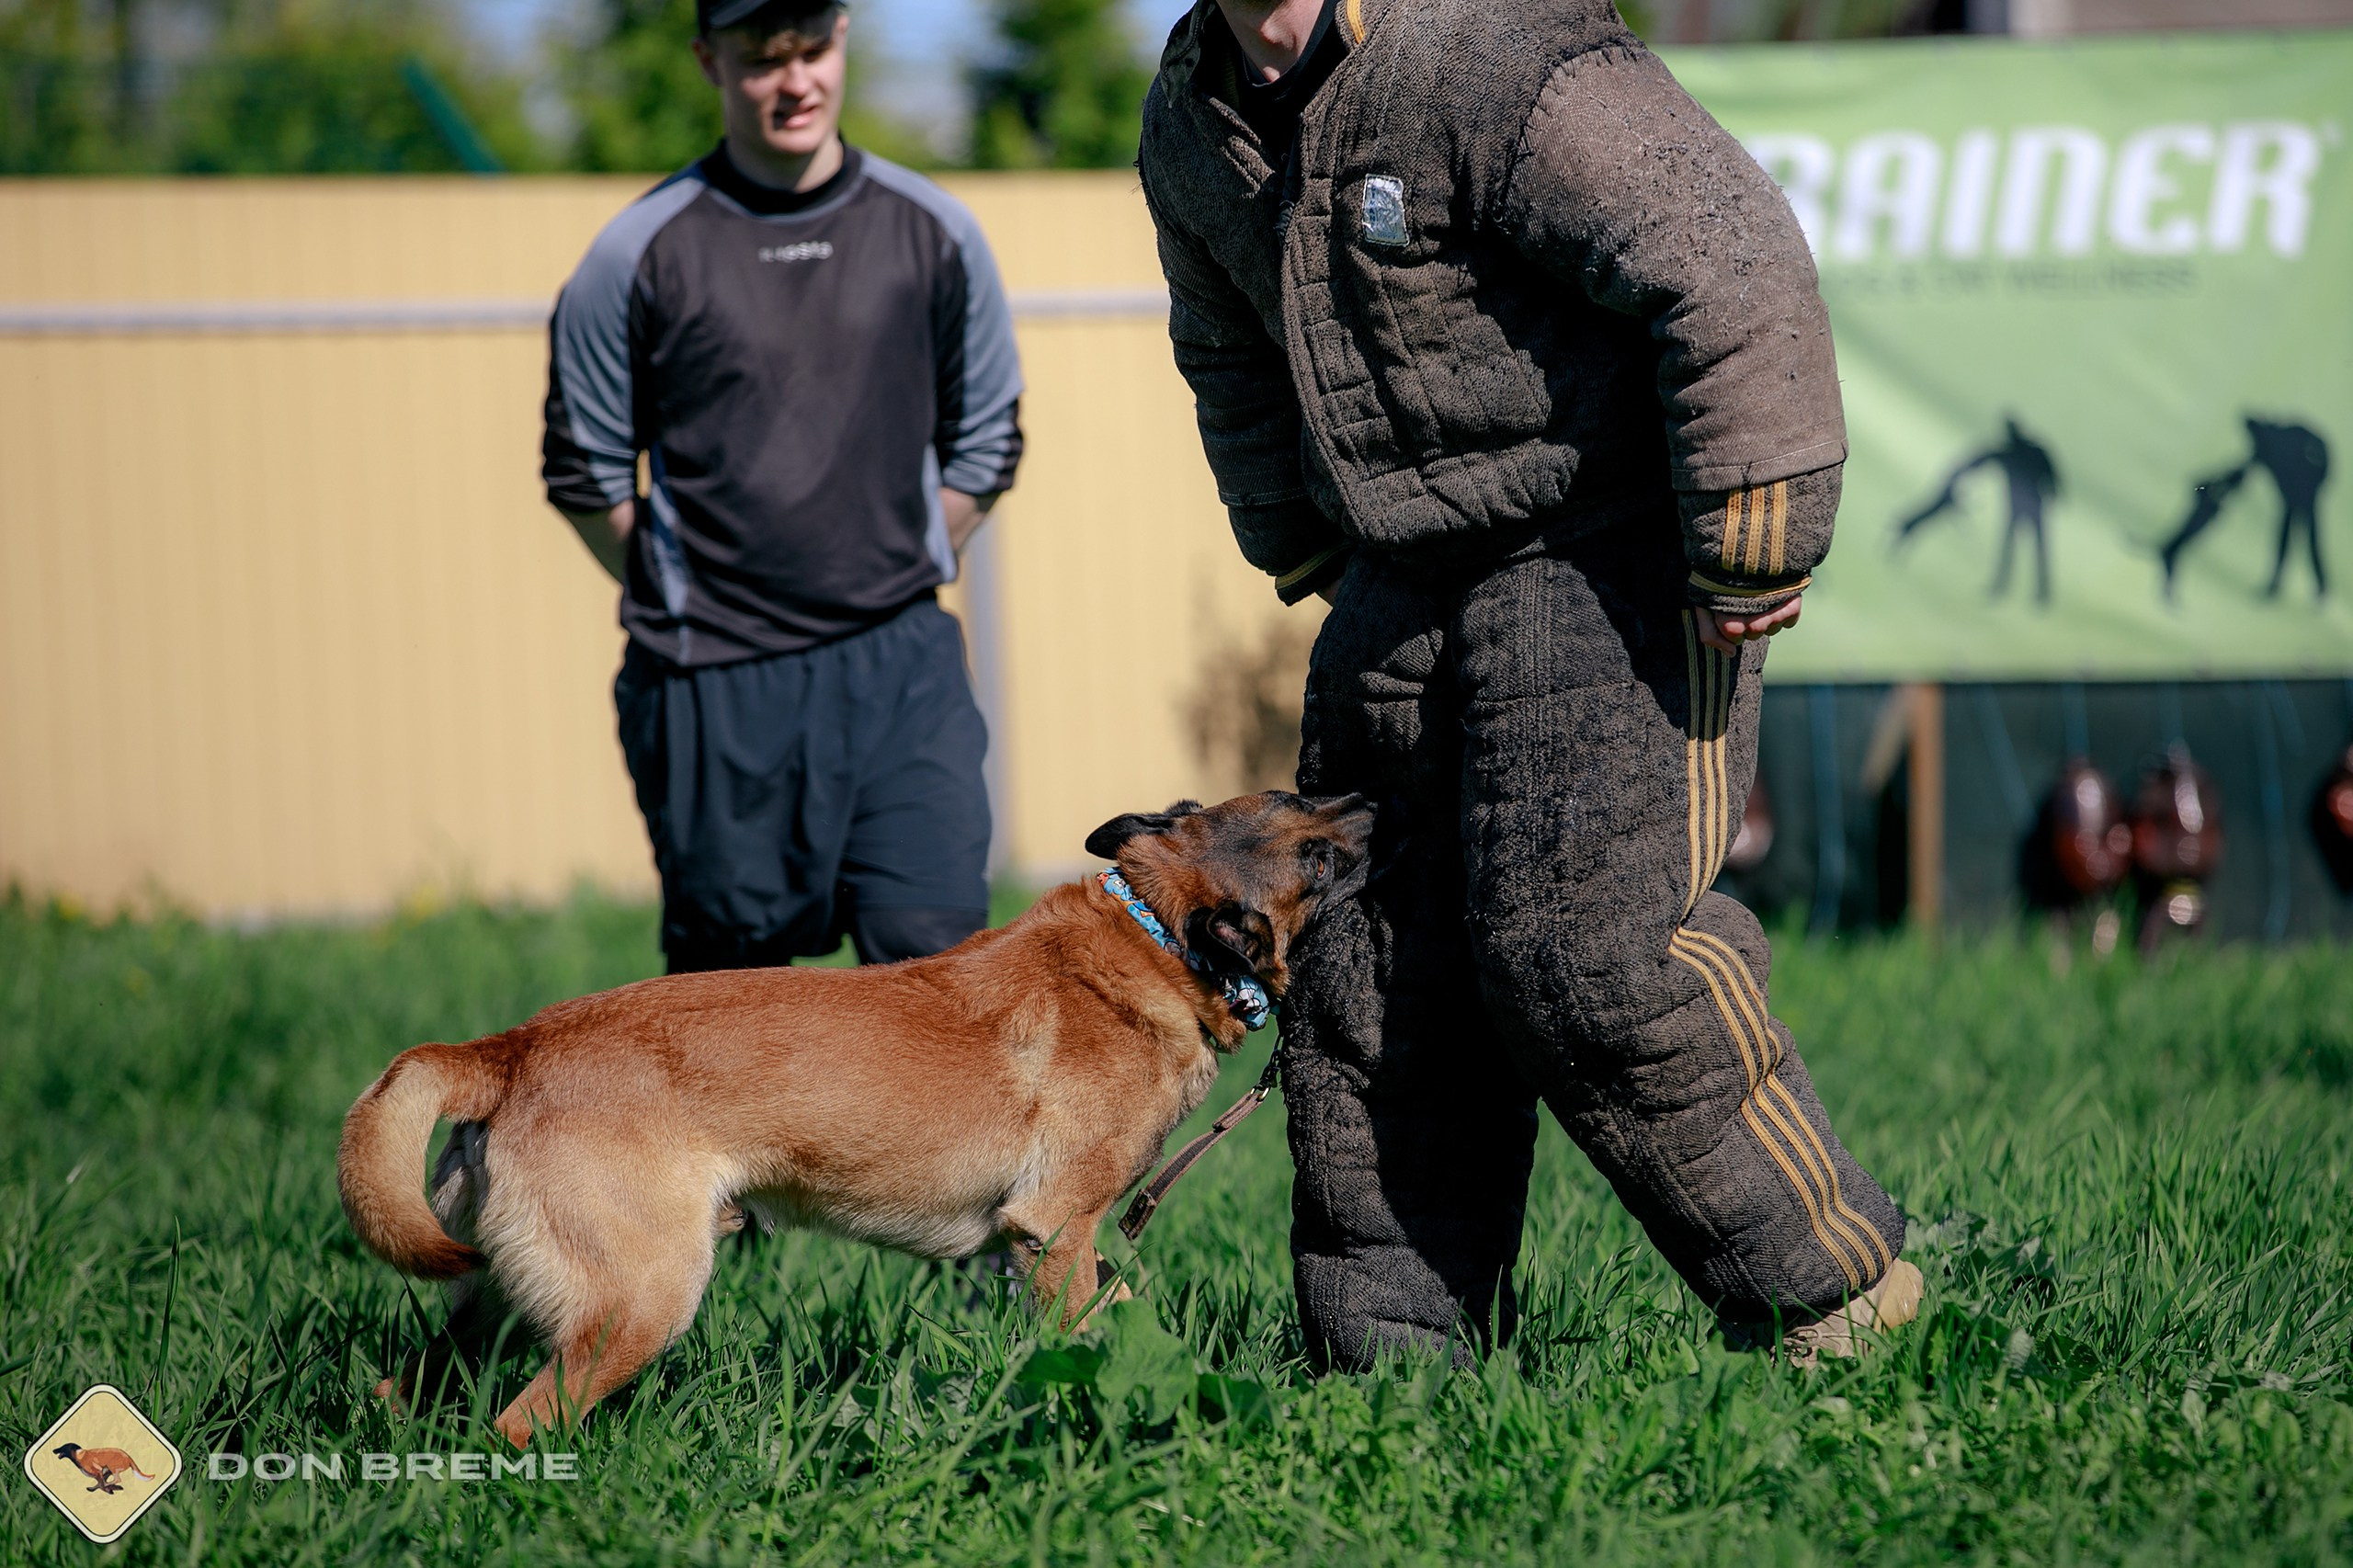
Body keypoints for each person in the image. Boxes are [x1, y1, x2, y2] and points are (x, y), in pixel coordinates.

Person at [1138, 0, 1919, 1369]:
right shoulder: (1189, 121)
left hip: (1604, 534)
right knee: (1373, 977)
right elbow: (1227, 350)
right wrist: (1308, 540)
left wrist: (1757, 515)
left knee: (1583, 954)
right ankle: (1390, 1377)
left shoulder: (1490, 49)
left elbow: (1724, 246)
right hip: (1401, 563)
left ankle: (1837, 1299)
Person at [543, 0, 1022, 973]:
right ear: (708, 62)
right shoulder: (634, 255)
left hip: (900, 669)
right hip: (715, 684)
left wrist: (899, 557)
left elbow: (987, 441)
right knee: (735, 1018)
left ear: (841, 38)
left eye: (809, 50)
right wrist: (686, 590)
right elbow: (585, 474)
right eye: (762, 59)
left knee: (940, 986)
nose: (793, 80)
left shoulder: (932, 231)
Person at [1895, 416, 2061, 604]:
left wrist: (2055, 491)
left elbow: (2050, 473)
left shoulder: (2026, 451)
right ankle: (2005, 588)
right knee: (2014, 547)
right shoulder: (2017, 451)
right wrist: (1962, 471)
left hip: (2033, 506)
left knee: (2033, 548)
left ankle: (2037, 592)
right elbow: (1982, 459)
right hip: (2020, 506)